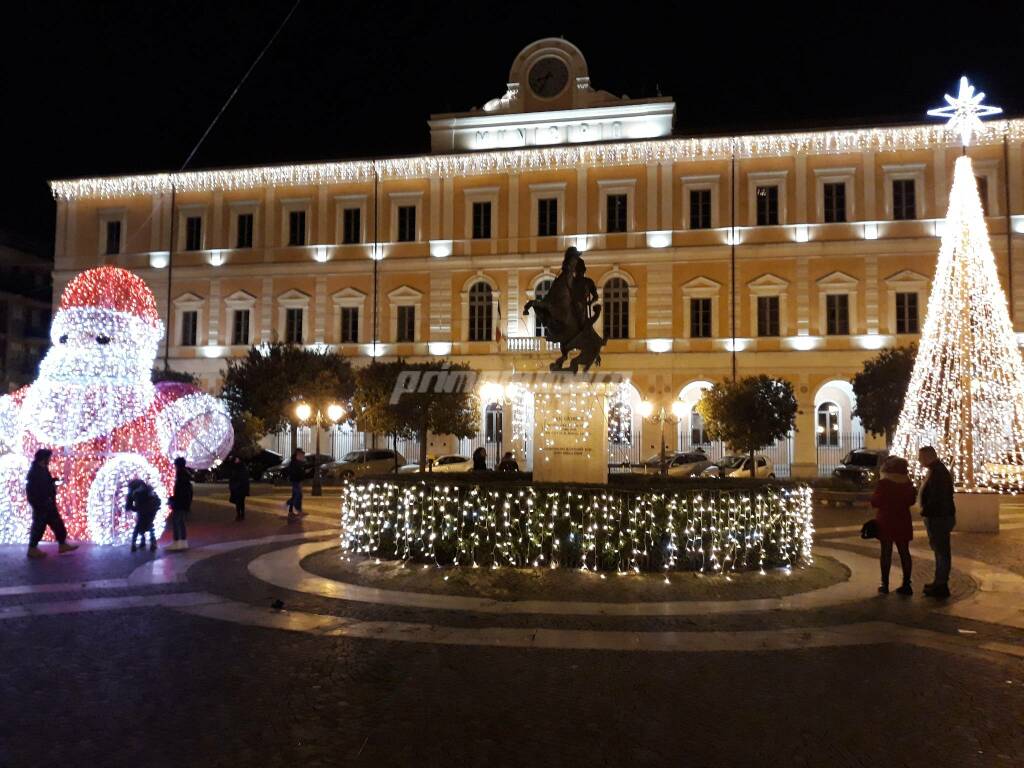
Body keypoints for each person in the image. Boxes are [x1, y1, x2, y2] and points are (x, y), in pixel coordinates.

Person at [870, 456, 915, 595]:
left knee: (886, 552)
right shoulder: (908, 483)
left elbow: (875, 502)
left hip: (886, 520)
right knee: (904, 552)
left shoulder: (884, 483)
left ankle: (885, 584)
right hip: (903, 519)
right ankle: (907, 583)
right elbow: (911, 501)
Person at [918, 445, 956, 598]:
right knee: (940, 551)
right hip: (938, 516)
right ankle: (939, 581)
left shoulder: (938, 472)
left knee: (941, 551)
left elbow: (937, 497)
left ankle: (941, 584)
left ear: (928, 456)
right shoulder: (936, 470)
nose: (919, 460)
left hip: (939, 517)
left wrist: (925, 509)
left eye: (921, 457)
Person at [26, 449, 77, 559]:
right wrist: (41, 500)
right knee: (39, 526)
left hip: (48, 503)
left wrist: (53, 481)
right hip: (42, 504)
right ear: (43, 459)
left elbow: (46, 483)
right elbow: (37, 489)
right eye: (48, 458)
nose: (50, 460)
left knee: (57, 524)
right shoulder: (36, 472)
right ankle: (32, 549)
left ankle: (62, 544)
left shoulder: (42, 469)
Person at [126, 478, 160, 552]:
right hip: (148, 509)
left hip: (146, 509)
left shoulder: (135, 491)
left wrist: (133, 508)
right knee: (147, 525)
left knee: (141, 525)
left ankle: (137, 543)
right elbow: (155, 499)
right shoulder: (146, 489)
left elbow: (129, 503)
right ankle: (150, 542)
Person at [168, 456, 193, 551]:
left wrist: (172, 499)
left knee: (176, 522)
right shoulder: (185, 475)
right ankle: (183, 542)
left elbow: (179, 493)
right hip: (184, 503)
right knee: (181, 522)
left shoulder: (180, 477)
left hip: (179, 503)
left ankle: (177, 542)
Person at [228, 456, 250, 522]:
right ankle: (239, 514)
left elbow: (244, 478)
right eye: (236, 459)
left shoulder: (241, 467)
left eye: (237, 459)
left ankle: (241, 515)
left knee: (240, 502)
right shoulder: (235, 467)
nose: (236, 460)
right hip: (237, 487)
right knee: (238, 502)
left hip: (240, 487)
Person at [287, 449, 306, 522]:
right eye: (302, 455)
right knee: (298, 496)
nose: (303, 457)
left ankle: (291, 512)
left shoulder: (298, 462)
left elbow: (300, 472)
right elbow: (295, 473)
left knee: (296, 496)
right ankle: (295, 510)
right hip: (296, 482)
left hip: (298, 481)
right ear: (298, 455)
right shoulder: (294, 463)